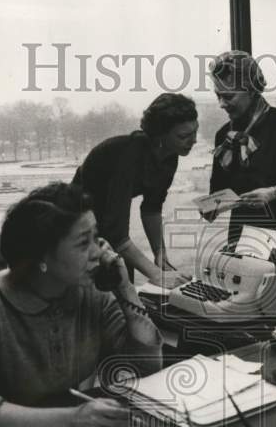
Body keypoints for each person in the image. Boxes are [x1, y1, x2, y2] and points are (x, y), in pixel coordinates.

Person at [0, 181, 163, 427]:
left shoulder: (90, 292)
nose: (98, 253)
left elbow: (147, 368)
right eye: (83, 244)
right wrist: (71, 420)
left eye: (96, 238)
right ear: (42, 258)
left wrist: (123, 286)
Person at [205, 50, 276, 298]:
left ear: (251, 89)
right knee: (245, 304)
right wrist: (212, 205)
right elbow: (217, 190)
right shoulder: (223, 136)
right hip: (242, 233)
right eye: (218, 96)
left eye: (228, 96)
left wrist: (271, 193)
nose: (222, 104)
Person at [73, 93, 198, 287]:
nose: (194, 141)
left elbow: (152, 208)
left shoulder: (170, 155)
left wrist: (160, 255)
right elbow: (116, 233)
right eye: (184, 136)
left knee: (123, 278)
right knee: (110, 284)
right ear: (160, 135)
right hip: (77, 219)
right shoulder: (127, 154)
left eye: (194, 133)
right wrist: (156, 275)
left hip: (108, 222)